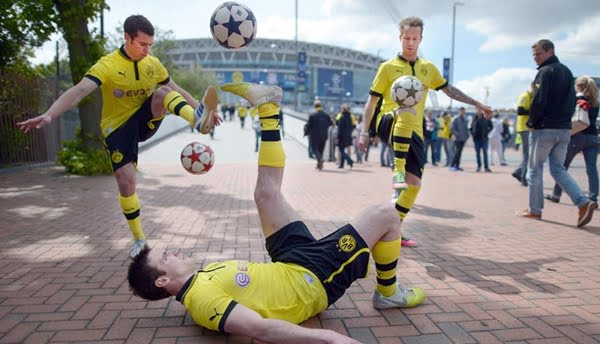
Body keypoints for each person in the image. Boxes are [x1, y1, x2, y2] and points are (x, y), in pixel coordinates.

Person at [127, 82, 427, 343]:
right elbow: (261, 329)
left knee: (265, 193)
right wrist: (327, 337)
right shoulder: (202, 300)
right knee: (386, 214)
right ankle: (388, 293)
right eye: (166, 257)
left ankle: (268, 110)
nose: (174, 251)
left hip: (289, 263)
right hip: (311, 280)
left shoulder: (201, 278)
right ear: (162, 281)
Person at [16, 15, 221, 258]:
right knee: (126, 183)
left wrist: (201, 108)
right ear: (127, 38)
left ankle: (196, 120)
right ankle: (139, 238)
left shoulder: (153, 64)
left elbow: (177, 90)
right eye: (142, 44)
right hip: (117, 128)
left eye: (150, 45)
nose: (147, 50)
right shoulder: (108, 65)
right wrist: (50, 115)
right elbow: (80, 91)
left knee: (163, 92)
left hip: (144, 120)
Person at [359, 17, 492, 248]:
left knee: (414, 185)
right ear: (400, 37)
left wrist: (477, 104)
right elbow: (371, 103)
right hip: (389, 122)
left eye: (414, 38)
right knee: (407, 110)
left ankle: (393, 228)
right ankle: (397, 170)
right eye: (406, 38)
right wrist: (363, 132)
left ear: (420, 39)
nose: (410, 43)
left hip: (414, 133)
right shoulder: (387, 67)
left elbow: (449, 91)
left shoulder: (428, 69)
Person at [517, 39, 596, 227]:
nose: (535, 58)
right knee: (558, 169)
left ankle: (534, 210)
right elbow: (572, 101)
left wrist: (532, 122)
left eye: (538, 54)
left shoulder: (544, 72)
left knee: (534, 169)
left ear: (549, 51)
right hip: (564, 130)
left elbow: (539, 100)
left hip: (544, 128)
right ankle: (583, 202)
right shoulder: (567, 71)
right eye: (534, 55)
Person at [545, 75, 599, 207]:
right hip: (593, 137)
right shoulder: (595, 102)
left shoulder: (577, 99)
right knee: (591, 169)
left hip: (577, 136)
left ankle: (556, 195)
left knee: (562, 168)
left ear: (578, 86)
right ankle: (593, 199)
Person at [512, 83, 534, 186]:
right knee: (527, 155)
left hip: (528, 128)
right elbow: (520, 111)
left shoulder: (531, 97)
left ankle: (519, 171)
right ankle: (523, 178)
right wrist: (535, 111)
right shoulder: (525, 96)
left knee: (529, 155)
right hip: (524, 128)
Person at [306, 101, 332, 170]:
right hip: (324, 135)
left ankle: (320, 159)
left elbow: (309, 126)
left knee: (314, 149)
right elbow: (330, 124)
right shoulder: (326, 115)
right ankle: (319, 165)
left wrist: (306, 133)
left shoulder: (312, 115)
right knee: (321, 150)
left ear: (315, 107)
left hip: (315, 135)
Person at [449, 107, 470, 171]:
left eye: (463, 111)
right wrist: (457, 134)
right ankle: (452, 165)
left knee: (459, 152)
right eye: (461, 111)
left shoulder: (465, 119)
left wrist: (467, 135)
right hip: (457, 139)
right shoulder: (455, 118)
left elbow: (467, 128)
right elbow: (452, 128)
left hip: (463, 139)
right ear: (459, 111)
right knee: (457, 152)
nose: (463, 112)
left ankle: (457, 165)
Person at [336, 104, 355, 169]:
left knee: (341, 150)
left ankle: (350, 160)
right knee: (344, 150)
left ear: (342, 109)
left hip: (342, 137)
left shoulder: (342, 117)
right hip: (348, 136)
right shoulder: (350, 117)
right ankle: (341, 164)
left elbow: (340, 129)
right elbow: (352, 126)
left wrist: (338, 137)